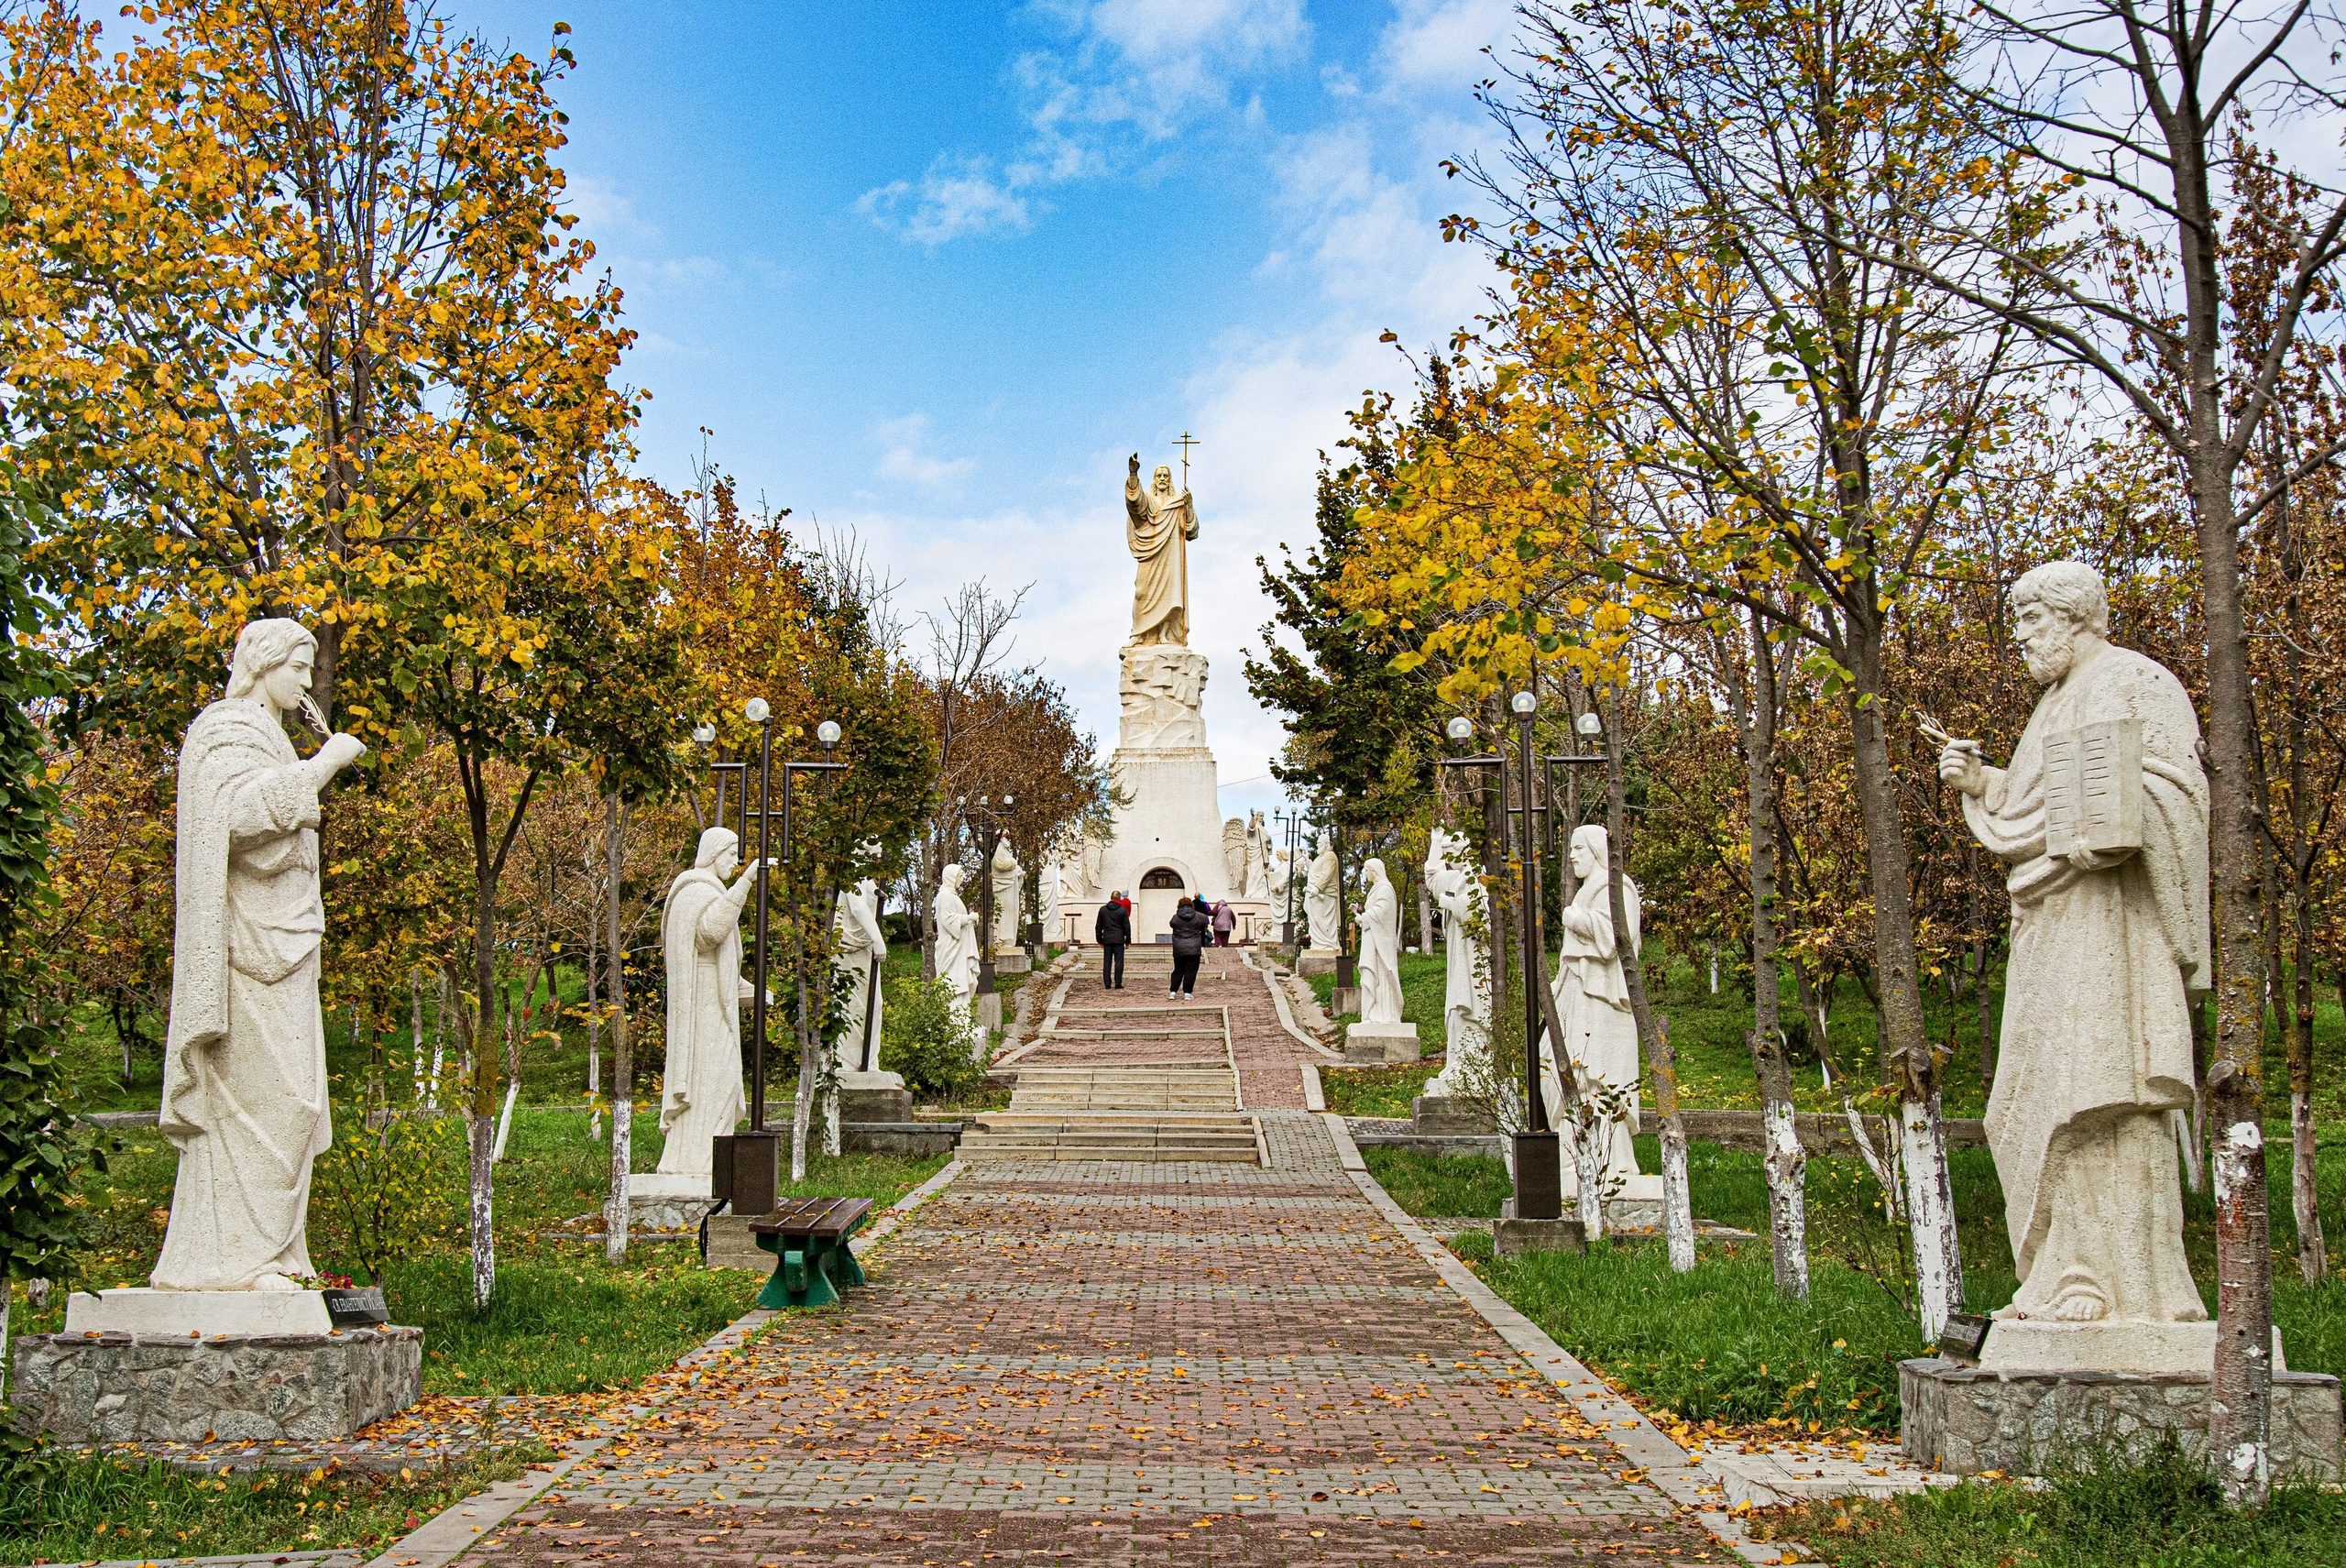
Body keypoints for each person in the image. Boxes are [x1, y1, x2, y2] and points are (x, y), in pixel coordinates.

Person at [1168, 894, 1210, 1000]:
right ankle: (1187, 992)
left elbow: (1171, 924)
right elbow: (1205, 918)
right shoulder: (1197, 916)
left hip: (1179, 948)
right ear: (1191, 905)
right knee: (1191, 970)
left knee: (1178, 969)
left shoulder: (1175, 917)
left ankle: (1173, 991)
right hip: (1194, 947)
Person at [1094, 892, 1131, 990]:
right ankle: (1118, 983)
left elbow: (1098, 926)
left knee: (1107, 962)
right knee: (1119, 962)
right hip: (1119, 939)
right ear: (1119, 899)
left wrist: (1099, 940)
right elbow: (1127, 927)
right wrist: (1128, 941)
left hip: (1107, 939)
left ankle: (1107, 983)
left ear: (1110, 898)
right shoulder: (1122, 910)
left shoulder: (1103, 910)